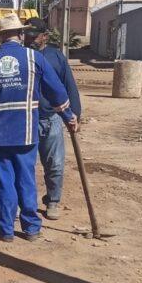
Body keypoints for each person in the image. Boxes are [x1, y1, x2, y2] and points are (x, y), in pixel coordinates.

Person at [0, 14, 79, 242]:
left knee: (2, 182)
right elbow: (56, 90)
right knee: (26, 179)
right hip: (26, 132)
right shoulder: (33, 58)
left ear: (0, 38)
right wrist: (69, 115)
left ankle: (6, 230)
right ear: (21, 34)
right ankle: (31, 229)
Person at [24, 18, 82, 221]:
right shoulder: (22, 56)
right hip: (26, 120)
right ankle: (25, 203)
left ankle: (53, 201)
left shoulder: (55, 57)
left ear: (45, 36)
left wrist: (75, 114)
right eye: (27, 36)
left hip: (52, 118)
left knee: (55, 164)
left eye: (34, 36)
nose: (29, 40)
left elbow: (69, 86)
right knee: (26, 165)